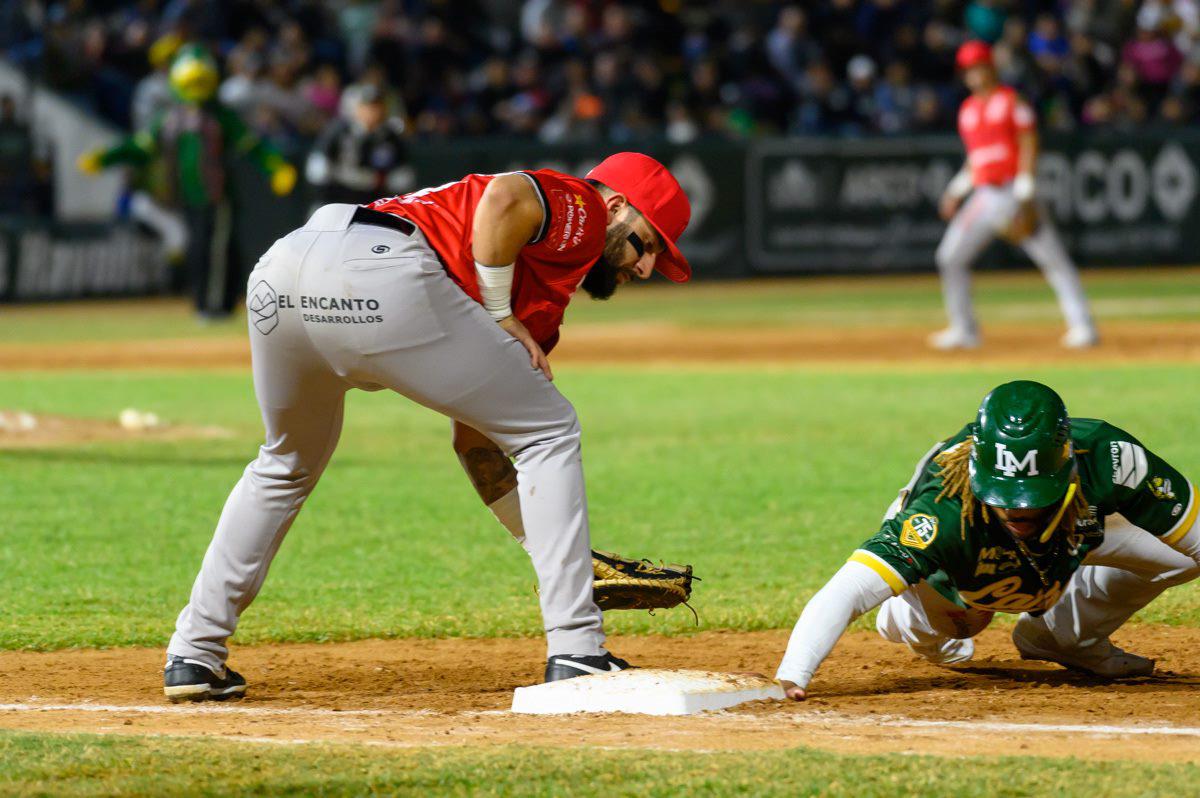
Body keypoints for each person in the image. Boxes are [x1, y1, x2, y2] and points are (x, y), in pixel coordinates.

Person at [162, 152, 693, 701]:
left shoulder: (538, 289)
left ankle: (193, 653)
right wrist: (498, 312)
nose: (646, 267)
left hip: (286, 272)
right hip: (380, 268)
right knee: (551, 430)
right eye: (648, 243)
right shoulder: (583, 208)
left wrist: (562, 557)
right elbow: (508, 196)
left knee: (285, 463)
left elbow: (476, 440)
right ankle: (578, 649)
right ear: (616, 205)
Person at [776, 380, 1198, 700]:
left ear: (1069, 465)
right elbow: (848, 589)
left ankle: (1066, 637)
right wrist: (794, 673)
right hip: (964, 547)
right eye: (1006, 497)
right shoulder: (943, 509)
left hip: (1074, 529)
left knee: (1180, 558)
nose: (1018, 512)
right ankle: (908, 616)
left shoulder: (1111, 460)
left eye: (1033, 498)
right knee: (964, 627)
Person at [78, 45, 298, 319]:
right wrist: (107, 158)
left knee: (218, 250)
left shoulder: (219, 116)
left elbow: (252, 145)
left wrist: (275, 167)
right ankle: (203, 302)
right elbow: (140, 147)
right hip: (188, 196)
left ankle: (216, 305)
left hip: (218, 195)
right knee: (198, 249)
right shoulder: (171, 118)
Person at [931, 41, 1098, 350]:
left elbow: (1029, 144)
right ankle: (964, 329)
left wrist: (1026, 193)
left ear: (991, 66)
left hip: (1012, 191)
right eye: (969, 69)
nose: (975, 74)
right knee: (950, 257)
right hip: (984, 195)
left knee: (1053, 260)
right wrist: (955, 191)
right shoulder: (968, 110)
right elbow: (976, 158)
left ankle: (1083, 325)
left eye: (979, 66)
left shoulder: (1011, 101)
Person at [305, 86, 413, 205]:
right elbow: (317, 169)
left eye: (377, 106)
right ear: (358, 108)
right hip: (337, 199)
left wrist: (380, 181)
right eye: (368, 106)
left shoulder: (390, 137)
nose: (373, 111)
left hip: (374, 202)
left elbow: (403, 177)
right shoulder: (339, 131)